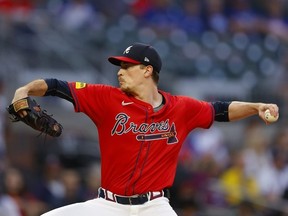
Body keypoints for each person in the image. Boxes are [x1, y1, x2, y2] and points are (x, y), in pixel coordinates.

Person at [10, 42, 279, 216]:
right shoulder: (106, 98)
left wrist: (255, 106)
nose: (120, 71)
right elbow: (56, 85)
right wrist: (24, 90)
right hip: (107, 205)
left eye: (127, 66)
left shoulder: (181, 108)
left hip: (155, 206)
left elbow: (220, 110)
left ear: (147, 70)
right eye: (119, 66)